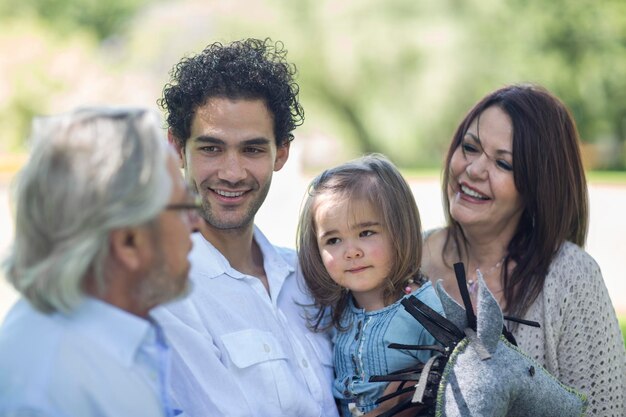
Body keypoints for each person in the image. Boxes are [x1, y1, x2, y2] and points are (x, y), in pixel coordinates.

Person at [153, 38, 339, 417]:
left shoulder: (310, 276)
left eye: (252, 149)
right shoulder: (168, 295)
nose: (232, 173)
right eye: (211, 149)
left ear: (281, 153)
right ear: (177, 150)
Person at [420, 83, 626, 416]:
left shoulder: (572, 278)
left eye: (503, 164)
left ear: (536, 187)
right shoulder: (405, 257)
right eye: (470, 147)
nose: (473, 170)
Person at [0, 107, 200, 416]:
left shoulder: (102, 338)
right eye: (186, 204)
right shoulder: (51, 390)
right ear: (128, 242)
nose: (196, 222)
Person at [297, 154, 444, 417]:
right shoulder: (336, 310)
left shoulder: (425, 311)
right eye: (333, 240)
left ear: (399, 231)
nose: (351, 252)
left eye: (366, 233)